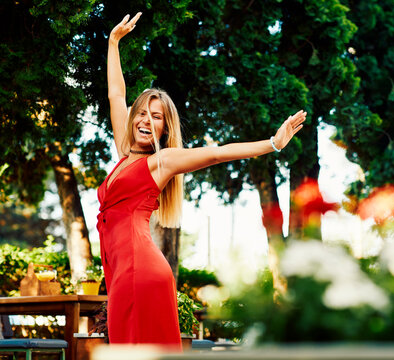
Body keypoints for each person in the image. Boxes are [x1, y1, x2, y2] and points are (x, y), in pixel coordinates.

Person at [97, 13, 306, 346]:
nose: (145, 121)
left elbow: (217, 153)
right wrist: (113, 43)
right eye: (142, 113)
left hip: (140, 270)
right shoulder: (125, 152)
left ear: (164, 129)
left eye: (156, 118)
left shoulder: (161, 161)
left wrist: (272, 144)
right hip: (123, 269)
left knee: (134, 351)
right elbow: (116, 95)